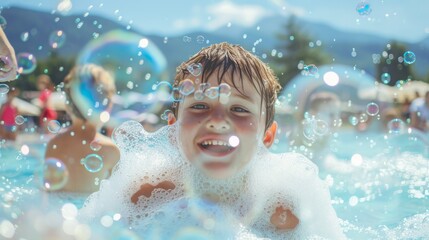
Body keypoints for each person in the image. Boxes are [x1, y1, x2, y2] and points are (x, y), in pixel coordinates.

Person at [80, 43, 344, 239]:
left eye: (239, 109)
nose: (218, 120)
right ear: (173, 129)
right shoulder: (144, 197)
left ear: (267, 136)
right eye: (200, 106)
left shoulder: (283, 213)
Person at [44, 64, 120, 193]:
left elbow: (49, 193)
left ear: (67, 106)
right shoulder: (111, 149)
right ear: (107, 106)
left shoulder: (54, 144)